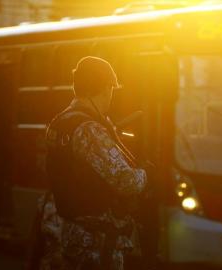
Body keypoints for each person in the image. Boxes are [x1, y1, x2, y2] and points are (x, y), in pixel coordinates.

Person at [38, 56, 147, 270]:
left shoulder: (61, 122)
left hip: (69, 232)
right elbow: (126, 181)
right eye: (112, 90)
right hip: (95, 242)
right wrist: (146, 174)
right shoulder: (89, 129)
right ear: (106, 88)